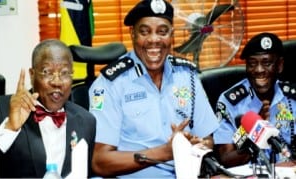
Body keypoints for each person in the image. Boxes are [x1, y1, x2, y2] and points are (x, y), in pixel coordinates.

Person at [88, 0, 220, 178]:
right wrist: (167, 152)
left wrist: (194, 146)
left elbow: (208, 138)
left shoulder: (187, 76)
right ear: (132, 34)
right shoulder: (110, 84)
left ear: (171, 34)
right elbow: (100, 162)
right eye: (144, 32)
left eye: (162, 32)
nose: (154, 40)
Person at [0, 39, 96, 178]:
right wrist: (10, 128)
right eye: (47, 72)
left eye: (65, 73)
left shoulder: (86, 121)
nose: (57, 82)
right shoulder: (0, 109)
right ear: (32, 75)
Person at [213, 32, 296, 168]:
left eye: (266, 63)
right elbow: (226, 158)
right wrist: (256, 130)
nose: (258, 70)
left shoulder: (292, 98)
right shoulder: (230, 102)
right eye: (252, 63)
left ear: (279, 65)